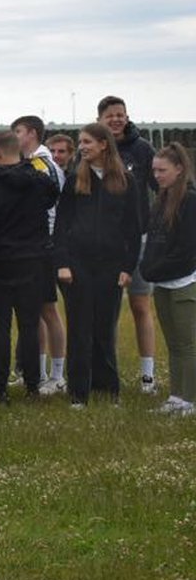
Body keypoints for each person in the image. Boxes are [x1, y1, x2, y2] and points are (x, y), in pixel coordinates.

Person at [53, 122, 141, 407]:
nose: (82, 147)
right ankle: (78, 393)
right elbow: (62, 225)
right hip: (77, 266)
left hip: (111, 267)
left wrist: (127, 268)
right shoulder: (74, 180)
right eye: (81, 142)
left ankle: (107, 390)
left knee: (105, 328)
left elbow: (133, 229)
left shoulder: (126, 182)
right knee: (79, 329)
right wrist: (63, 263)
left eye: (88, 142)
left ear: (104, 144)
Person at [0, 131, 59, 405]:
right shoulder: (38, 181)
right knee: (30, 327)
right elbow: (53, 196)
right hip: (33, 262)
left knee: (0, 329)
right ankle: (33, 384)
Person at [98, 95, 159, 393]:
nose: (116, 120)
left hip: (139, 239)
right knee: (104, 309)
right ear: (101, 120)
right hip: (104, 243)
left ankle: (148, 374)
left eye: (120, 114)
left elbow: (161, 187)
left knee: (140, 305)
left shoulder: (143, 149)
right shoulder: (95, 149)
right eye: (110, 115)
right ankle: (106, 373)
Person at [12, 116, 68, 396]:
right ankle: (37, 372)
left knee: (48, 309)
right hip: (28, 246)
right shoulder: (28, 162)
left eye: (18, 132)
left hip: (43, 245)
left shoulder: (44, 164)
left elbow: (51, 206)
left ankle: (58, 375)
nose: (15, 136)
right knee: (32, 310)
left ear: (32, 133)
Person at [141, 144, 196, 415]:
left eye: (162, 170)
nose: (157, 175)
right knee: (172, 343)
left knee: (187, 344)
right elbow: (154, 241)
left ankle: (190, 400)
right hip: (162, 282)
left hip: (184, 282)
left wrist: (156, 269)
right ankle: (176, 397)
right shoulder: (160, 199)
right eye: (154, 170)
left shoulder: (191, 201)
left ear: (179, 169)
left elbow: (186, 249)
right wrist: (148, 267)